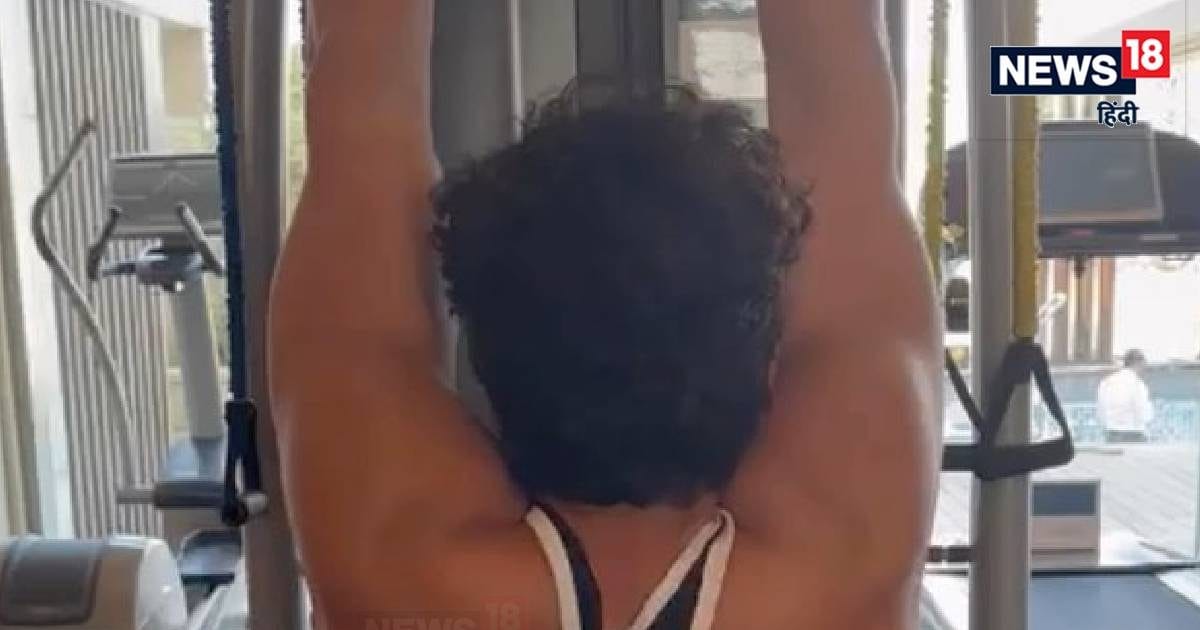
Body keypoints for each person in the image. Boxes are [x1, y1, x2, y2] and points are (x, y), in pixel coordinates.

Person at [270, 1, 941, 629]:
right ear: (766, 356)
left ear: (483, 350)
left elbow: (363, 97)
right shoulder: (842, 565)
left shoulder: (393, 564)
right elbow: (837, 106)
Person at [1097, 349, 1154, 444]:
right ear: (1139, 363)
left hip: (1112, 434)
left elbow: (1101, 410)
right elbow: (1143, 413)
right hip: (1133, 434)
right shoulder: (1137, 384)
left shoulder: (1106, 382)